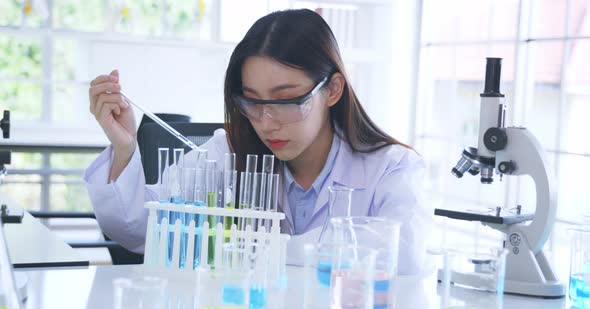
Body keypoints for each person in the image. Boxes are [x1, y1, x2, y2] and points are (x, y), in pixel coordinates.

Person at [84, 9, 429, 273]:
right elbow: (139, 230)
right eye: (252, 101)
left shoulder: (391, 168)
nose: (266, 122)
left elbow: (402, 254)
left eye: (286, 100)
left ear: (333, 90)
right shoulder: (228, 153)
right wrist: (125, 148)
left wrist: (260, 249)